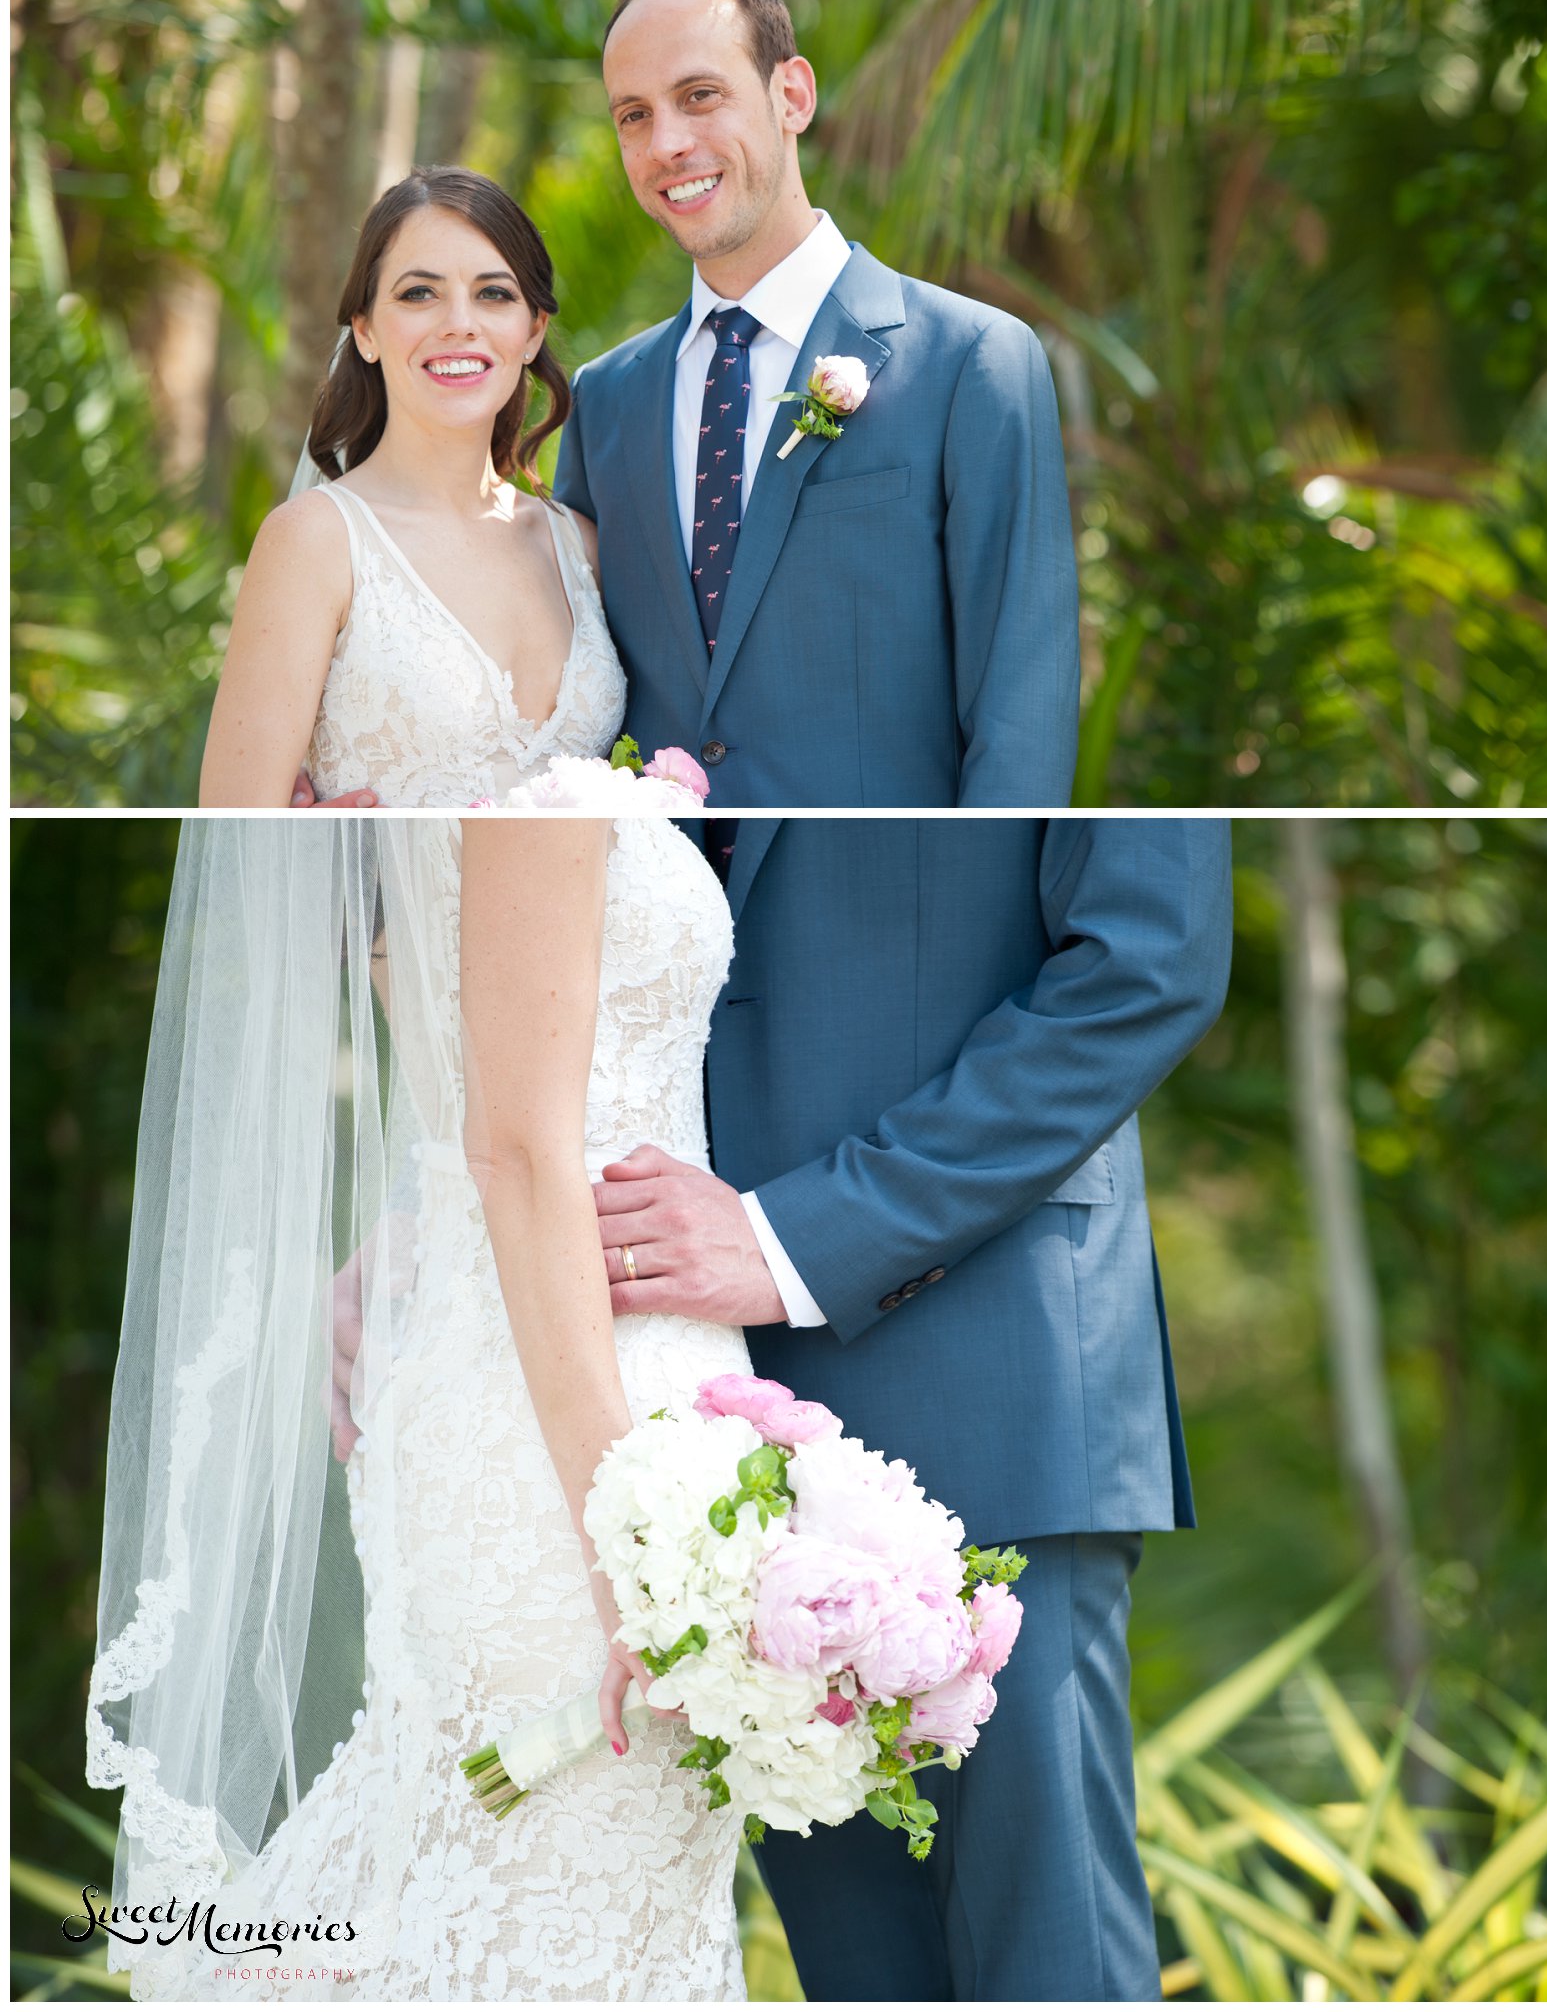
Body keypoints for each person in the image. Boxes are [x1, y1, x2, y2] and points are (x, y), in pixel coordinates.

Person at [86, 812, 752, 1999]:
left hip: (614, 1377)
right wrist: (632, 1546)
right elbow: (517, 1152)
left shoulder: (537, 742)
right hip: (573, 1426)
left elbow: (470, 1092)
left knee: (583, 1886)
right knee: (569, 1884)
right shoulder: (512, 792)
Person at [587, 816, 1233, 2000]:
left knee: (1051, 1965)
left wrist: (800, 1240)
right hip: (709, 1408)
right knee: (860, 1974)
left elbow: (1151, 959)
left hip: (992, 1351)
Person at [557, 0, 1081, 809]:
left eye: (700, 95)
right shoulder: (605, 402)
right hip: (654, 923)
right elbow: (563, 678)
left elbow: (1022, 719)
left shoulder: (972, 362)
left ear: (792, 95)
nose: (666, 146)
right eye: (634, 115)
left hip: (889, 925)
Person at [198, 170, 625, 809]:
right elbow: (237, 827)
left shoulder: (580, 547)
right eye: (419, 292)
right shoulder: (314, 543)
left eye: (494, 294)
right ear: (365, 330)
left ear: (532, 331)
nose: (459, 323)